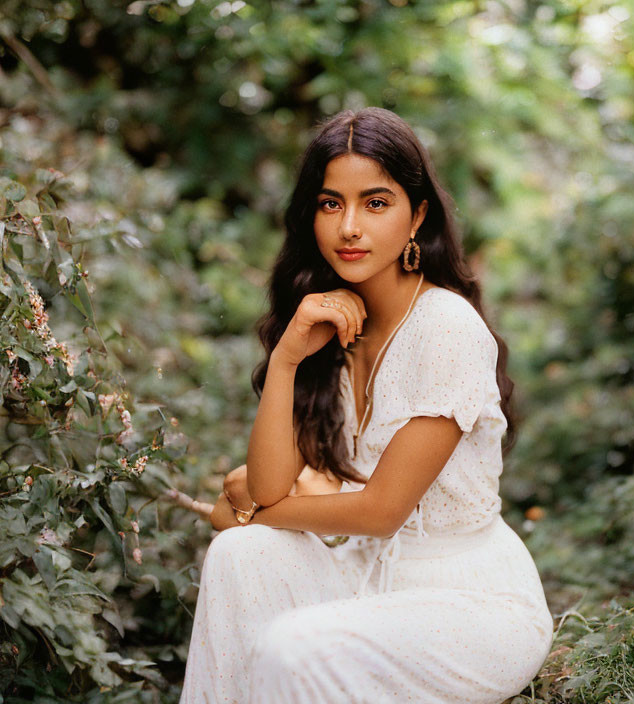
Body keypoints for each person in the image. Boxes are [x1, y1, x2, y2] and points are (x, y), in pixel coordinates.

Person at [179, 107, 555, 704]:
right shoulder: (331, 322)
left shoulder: (446, 327)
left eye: (375, 203)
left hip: (471, 605)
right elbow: (274, 486)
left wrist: (250, 511)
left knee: (293, 641)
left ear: (418, 215)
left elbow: (380, 511)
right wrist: (286, 360)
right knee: (238, 554)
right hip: (368, 582)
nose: (349, 226)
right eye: (332, 204)